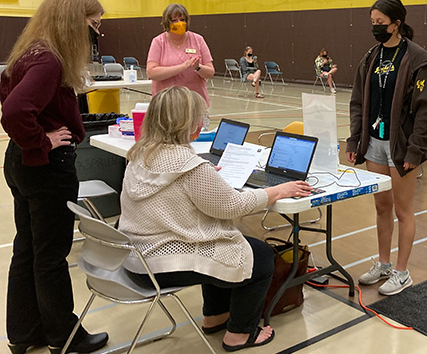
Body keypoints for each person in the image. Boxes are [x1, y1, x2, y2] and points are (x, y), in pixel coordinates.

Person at [119, 86, 312, 351]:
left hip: (134, 257)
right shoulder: (190, 166)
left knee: (220, 239)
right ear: (188, 124)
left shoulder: (139, 155)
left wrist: (208, 177)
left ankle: (216, 315)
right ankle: (239, 334)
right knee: (259, 255)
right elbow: (233, 206)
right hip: (160, 265)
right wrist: (276, 191)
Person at [1, 0, 109, 354]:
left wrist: (34, 138)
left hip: (20, 162)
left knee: (28, 249)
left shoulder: (31, 51)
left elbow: (5, 88)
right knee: (50, 254)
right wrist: (43, 140)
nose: (94, 34)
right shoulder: (50, 60)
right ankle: (64, 335)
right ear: (73, 21)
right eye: (93, 25)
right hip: (44, 165)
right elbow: (14, 110)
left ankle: (24, 332)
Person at [346, 0, 427, 296]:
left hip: (401, 147)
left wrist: (416, 150)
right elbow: (358, 102)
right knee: (381, 206)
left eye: (380, 23)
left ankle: (402, 272)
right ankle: (384, 264)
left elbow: (426, 112)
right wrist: (354, 139)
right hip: (373, 142)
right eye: (372, 23)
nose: (375, 28)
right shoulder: (370, 58)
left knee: (403, 210)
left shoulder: (417, 58)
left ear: (397, 24)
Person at [146, 3, 215, 130]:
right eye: (174, 20)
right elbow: (151, 72)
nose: (179, 23)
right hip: (166, 105)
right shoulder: (158, 42)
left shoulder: (198, 40)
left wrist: (198, 67)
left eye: (182, 20)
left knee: (197, 141)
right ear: (167, 22)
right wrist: (181, 67)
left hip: (195, 104)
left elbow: (210, 72)